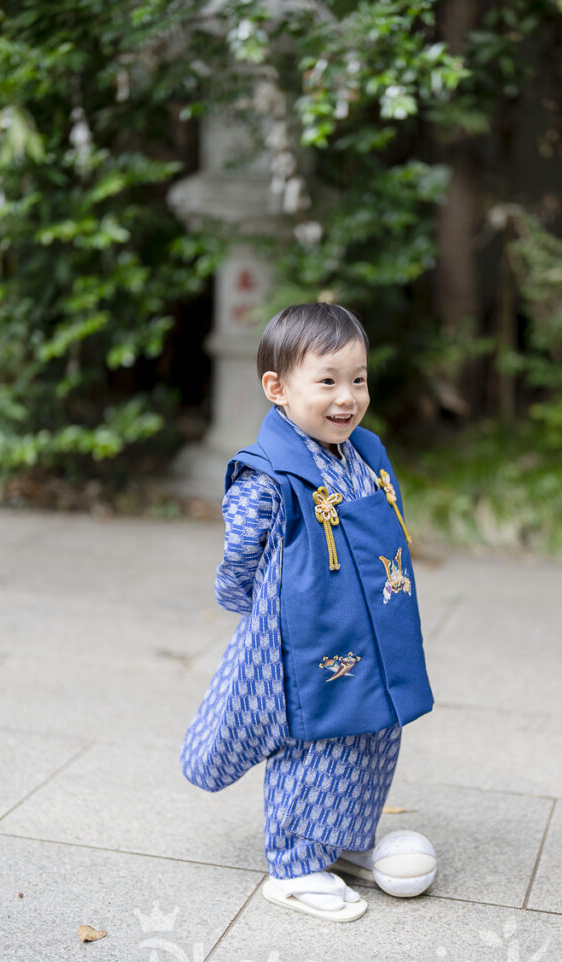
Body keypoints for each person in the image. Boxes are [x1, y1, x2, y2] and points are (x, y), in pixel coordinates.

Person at [181, 302, 434, 921]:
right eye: (327, 380)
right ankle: (293, 865)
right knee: (317, 737)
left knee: (374, 731)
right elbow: (240, 553)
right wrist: (248, 613)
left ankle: (342, 839)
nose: (347, 397)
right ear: (277, 389)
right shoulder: (268, 476)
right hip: (306, 636)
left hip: (371, 628)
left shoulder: (364, 454)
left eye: (358, 379)